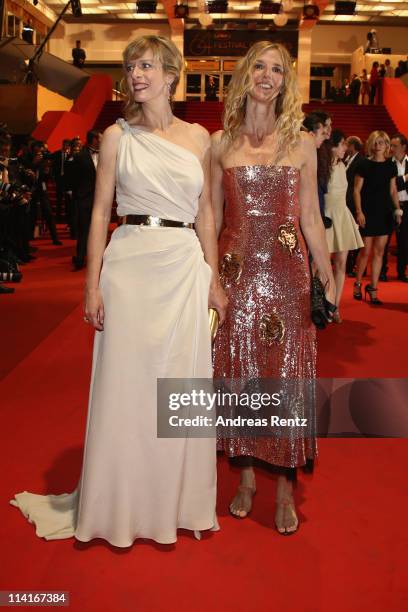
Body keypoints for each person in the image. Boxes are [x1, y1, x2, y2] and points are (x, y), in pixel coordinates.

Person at [11, 35, 227, 546]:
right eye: (131, 66)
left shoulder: (201, 138)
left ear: (172, 75)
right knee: (127, 388)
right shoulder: (116, 136)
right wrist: (91, 285)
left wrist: (213, 277)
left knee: (180, 388)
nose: (136, 75)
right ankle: (121, 505)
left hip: (182, 268)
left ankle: (175, 502)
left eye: (147, 65)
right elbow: (99, 211)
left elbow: (207, 214)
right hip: (130, 265)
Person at [211, 41, 335, 534]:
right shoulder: (220, 143)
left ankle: (286, 490)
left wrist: (325, 278)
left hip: (286, 277)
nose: (267, 76)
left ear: (287, 81)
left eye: (277, 70)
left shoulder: (302, 143)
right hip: (236, 276)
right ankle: (245, 481)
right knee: (240, 374)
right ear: (245, 74)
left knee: (285, 379)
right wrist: (210, 277)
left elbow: (309, 217)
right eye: (259, 66)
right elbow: (212, 217)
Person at [353, 131, 402, 304]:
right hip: (367, 211)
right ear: (371, 144)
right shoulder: (364, 164)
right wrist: (359, 212)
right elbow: (356, 190)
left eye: (382, 142)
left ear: (387, 145)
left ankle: (373, 288)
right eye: (376, 142)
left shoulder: (391, 166)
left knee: (380, 252)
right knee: (365, 251)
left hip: (384, 212)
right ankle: (358, 283)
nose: (378, 145)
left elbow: (393, 190)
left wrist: (397, 210)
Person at [324, 130, 363, 322]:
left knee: (341, 264)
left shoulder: (342, 165)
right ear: (332, 146)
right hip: (325, 218)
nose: (345, 148)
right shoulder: (320, 165)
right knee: (319, 265)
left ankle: (335, 307)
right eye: (341, 144)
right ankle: (321, 303)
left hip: (342, 216)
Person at [71, 130, 101, 270]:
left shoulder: (107, 155)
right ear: (94, 140)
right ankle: (80, 258)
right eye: (100, 138)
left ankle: (98, 259)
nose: (103, 140)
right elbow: (73, 178)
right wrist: (78, 194)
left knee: (100, 230)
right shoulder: (79, 156)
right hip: (85, 198)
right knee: (84, 230)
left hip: (102, 199)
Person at [345, 136, 364, 275]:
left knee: (355, 232)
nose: (345, 146)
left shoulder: (360, 161)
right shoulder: (346, 159)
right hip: (346, 200)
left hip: (353, 200)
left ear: (353, 146)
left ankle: (353, 264)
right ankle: (349, 263)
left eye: (347, 144)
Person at [390, 133, 408, 282]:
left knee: (404, 240)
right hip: (390, 205)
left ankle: (402, 272)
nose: (391, 148)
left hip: (407, 205)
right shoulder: (388, 163)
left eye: (394, 146)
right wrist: (405, 178)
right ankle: (382, 271)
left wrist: (398, 182)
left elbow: (397, 184)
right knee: (384, 239)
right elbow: (392, 185)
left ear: (403, 147)